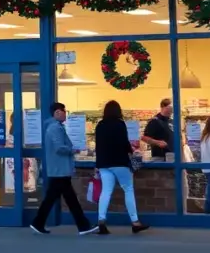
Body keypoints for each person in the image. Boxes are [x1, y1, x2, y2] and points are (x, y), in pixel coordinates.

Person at [29, 102, 98, 236]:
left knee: (56, 199)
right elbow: (59, 147)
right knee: (69, 200)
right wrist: (74, 150)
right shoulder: (54, 128)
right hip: (59, 169)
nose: (65, 113)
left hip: (58, 169)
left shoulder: (55, 127)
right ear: (57, 112)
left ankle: (38, 223)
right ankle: (83, 226)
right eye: (64, 111)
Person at [94, 100, 149, 234]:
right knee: (128, 189)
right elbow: (124, 143)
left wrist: (97, 164)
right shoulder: (120, 124)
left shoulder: (100, 126)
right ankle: (135, 222)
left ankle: (101, 221)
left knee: (106, 192)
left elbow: (98, 146)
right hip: (120, 162)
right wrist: (132, 152)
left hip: (104, 163)